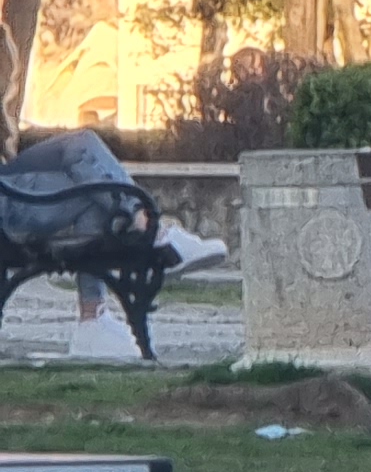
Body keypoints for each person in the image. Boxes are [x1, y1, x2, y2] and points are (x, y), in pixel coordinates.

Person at [0, 125, 227, 360]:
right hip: (8, 205)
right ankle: (153, 233)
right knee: (90, 178)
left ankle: (94, 320)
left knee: (83, 150)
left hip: (8, 182)